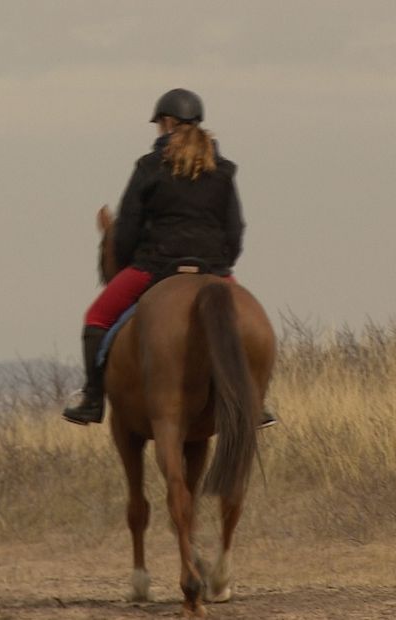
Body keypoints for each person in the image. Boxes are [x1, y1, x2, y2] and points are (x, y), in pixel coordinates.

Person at [62, 88, 276, 427]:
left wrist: (130, 258)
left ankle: (92, 399)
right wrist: (223, 264)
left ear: (168, 122)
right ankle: (256, 402)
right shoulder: (222, 171)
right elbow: (235, 229)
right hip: (214, 269)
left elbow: (129, 225)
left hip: (155, 267)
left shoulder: (149, 166)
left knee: (97, 318)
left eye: (160, 124)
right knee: (248, 322)